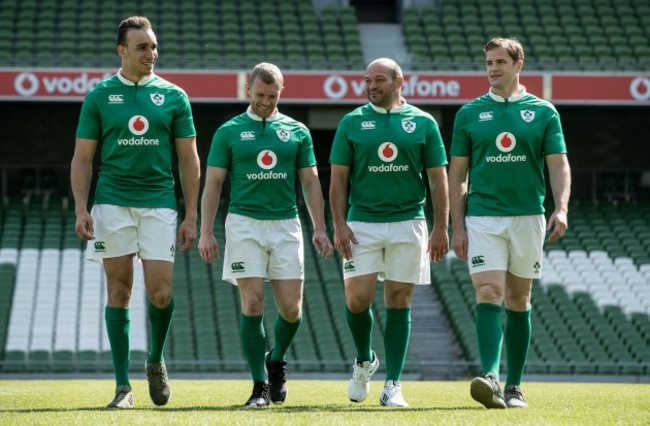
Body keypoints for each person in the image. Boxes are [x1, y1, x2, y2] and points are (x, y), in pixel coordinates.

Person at [70, 16, 200, 409]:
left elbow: (189, 158)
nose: (152, 53)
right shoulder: (99, 96)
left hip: (159, 202)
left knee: (161, 293)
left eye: (154, 46)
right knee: (119, 291)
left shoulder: (175, 96)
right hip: (111, 202)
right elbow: (82, 158)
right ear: (122, 50)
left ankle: (156, 359)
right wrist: (81, 207)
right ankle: (123, 387)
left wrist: (190, 214)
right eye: (142, 47)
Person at [198, 62, 333, 408]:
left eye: (272, 96)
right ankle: (259, 386)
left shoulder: (297, 131)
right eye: (259, 95)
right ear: (248, 90)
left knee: (291, 308)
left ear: (281, 92)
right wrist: (206, 231)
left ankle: (276, 360)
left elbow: (310, 181)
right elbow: (212, 183)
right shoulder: (228, 131)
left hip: (286, 224)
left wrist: (319, 226)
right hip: (243, 223)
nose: (265, 102)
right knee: (253, 302)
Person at [448, 37, 571, 409]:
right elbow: (457, 175)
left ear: (519, 65)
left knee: (519, 299)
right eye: (488, 62)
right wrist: (457, 224)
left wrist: (561, 207)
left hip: (528, 216)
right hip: (483, 216)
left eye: (500, 61)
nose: (493, 68)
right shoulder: (469, 114)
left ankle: (514, 386)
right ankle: (489, 376)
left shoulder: (544, 112)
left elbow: (558, 165)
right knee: (488, 292)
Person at [329, 58, 449, 407]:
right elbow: (337, 178)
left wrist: (441, 226)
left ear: (400, 81)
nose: (371, 86)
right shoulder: (351, 122)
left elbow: (438, 179)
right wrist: (338, 223)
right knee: (357, 299)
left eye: (379, 79)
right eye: (367, 80)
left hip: (408, 221)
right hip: (361, 223)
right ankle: (365, 360)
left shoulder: (424, 123)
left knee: (399, 300)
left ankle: (393, 384)